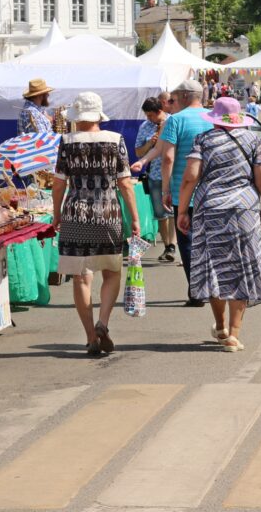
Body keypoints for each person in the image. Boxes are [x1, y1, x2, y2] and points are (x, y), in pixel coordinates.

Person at [176, 96, 261, 352]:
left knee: (214, 266)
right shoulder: (254, 140)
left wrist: (183, 210)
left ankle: (220, 327)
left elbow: (190, 177)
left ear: (215, 119)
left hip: (210, 209)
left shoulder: (204, 141)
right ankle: (234, 333)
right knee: (241, 265)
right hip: (244, 209)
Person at [52, 92, 140, 357]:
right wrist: (134, 217)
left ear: (78, 118)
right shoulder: (115, 140)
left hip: (76, 214)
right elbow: (125, 182)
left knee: (80, 276)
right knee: (112, 271)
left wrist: (57, 214)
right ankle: (104, 322)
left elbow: (59, 183)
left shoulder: (67, 141)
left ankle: (91, 336)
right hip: (108, 213)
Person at [147, 79, 213, 306]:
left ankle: (196, 291)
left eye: (173, 99)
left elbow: (167, 157)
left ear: (185, 96)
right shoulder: (213, 117)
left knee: (187, 241)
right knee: (209, 240)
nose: (171, 104)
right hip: (212, 190)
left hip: (182, 191)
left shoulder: (176, 120)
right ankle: (211, 286)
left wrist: (165, 188)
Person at [135, 95, 176, 262]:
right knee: (160, 212)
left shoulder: (174, 122)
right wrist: (150, 144)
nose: (149, 118)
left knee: (174, 211)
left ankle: (173, 245)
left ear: (160, 111)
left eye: (151, 115)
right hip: (154, 174)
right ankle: (167, 245)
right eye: (146, 115)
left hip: (173, 173)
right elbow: (138, 152)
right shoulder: (145, 127)